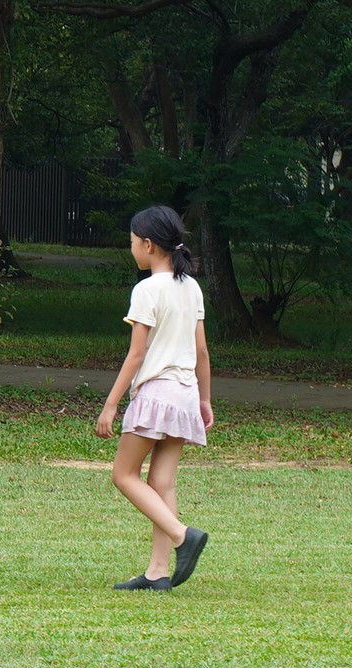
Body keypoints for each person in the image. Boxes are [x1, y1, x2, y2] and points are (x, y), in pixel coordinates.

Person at [96, 205, 214, 592]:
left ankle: (183, 536)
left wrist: (111, 403)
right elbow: (201, 352)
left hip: (156, 394)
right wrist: (205, 400)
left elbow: (137, 354)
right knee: (162, 482)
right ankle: (158, 572)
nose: (131, 248)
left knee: (123, 475)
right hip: (185, 394)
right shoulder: (191, 286)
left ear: (148, 245)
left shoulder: (147, 289)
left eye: (132, 242)